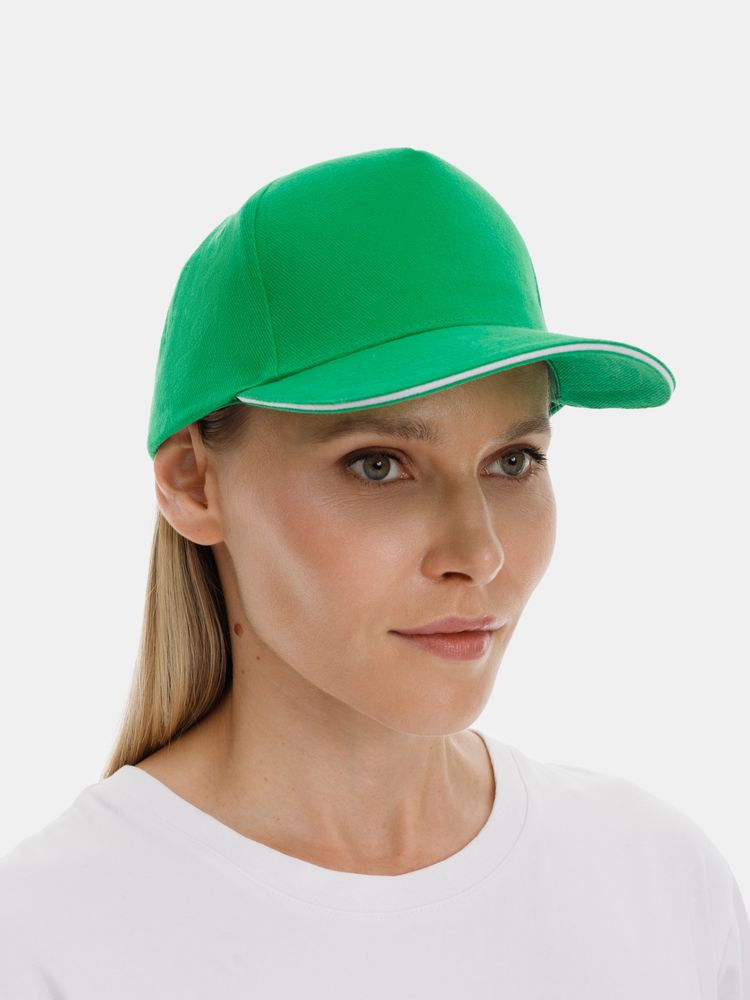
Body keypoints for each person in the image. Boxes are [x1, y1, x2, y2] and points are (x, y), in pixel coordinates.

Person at [1, 147, 747, 999]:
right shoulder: (47, 940)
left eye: (513, 461)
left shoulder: (658, 887)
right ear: (193, 483)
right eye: (379, 465)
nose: (479, 553)